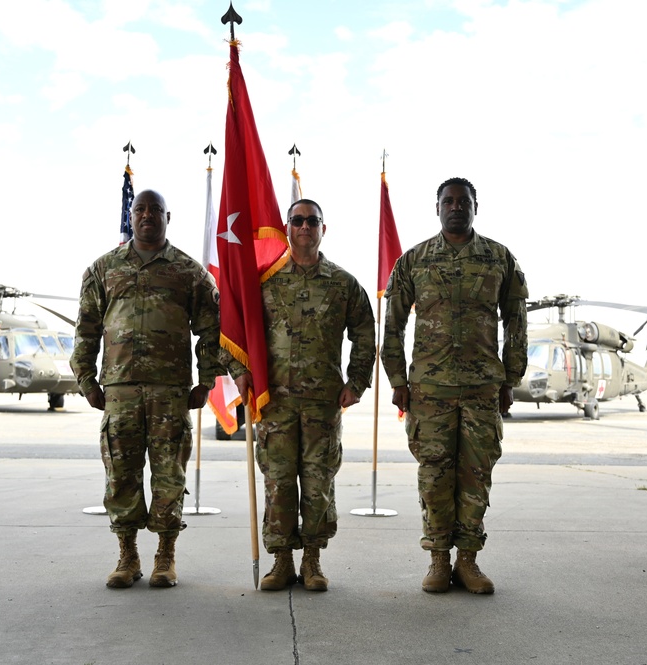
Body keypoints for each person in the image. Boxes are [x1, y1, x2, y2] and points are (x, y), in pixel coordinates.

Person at [382, 177, 528, 594]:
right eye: (449, 201)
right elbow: (392, 324)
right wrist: (397, 378)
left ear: (475, 207)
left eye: (464, 201)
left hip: (483, 389)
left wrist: (510, 377)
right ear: (438, 208)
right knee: (434, 478)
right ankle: (437, 561)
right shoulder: (414, 261)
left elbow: (517, 322)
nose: (456, 206)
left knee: (476, 476)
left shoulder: (499, 258)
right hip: (430, 392)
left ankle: (468, 561)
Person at [71, 189, 221, 589]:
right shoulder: (103, 269)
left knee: (169, 475)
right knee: (120, 474)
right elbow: (85, 329)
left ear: (168, 217)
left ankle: (165, 555)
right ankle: (127, 554)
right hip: (119, 391)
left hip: (170, 392)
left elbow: (210, 330)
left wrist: (206, 380)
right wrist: (86, 379)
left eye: (156, 210)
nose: (148, 215)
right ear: (131, 216)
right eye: (141, 209)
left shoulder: (188, 272)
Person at [228, 198, 375, 593]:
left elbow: (365, 333)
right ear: (287, 227)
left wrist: (356, 382)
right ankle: (280, 560)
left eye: (312, 221)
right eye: (297, 220)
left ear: (324, 229)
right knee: (277, 482)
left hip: (322, 403)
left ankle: (312, 559)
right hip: (273, 403)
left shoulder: (343, 284)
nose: (305, 227)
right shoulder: (264, 280)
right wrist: (239, 371)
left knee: (317, 482)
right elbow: (236, 329)